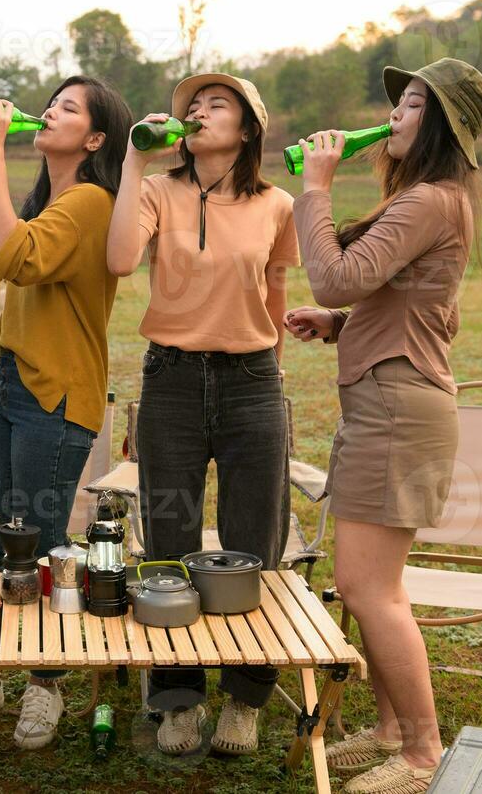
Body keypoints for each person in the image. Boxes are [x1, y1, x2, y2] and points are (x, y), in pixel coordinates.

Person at [285, 57, 482, 794]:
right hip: (387, 400)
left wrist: (313, 190)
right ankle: (387, 730)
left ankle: (421, 754)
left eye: (409, 106)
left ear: (439, 124)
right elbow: (431, 311)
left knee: (371, 590)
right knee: (365, 585)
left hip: (397, 409)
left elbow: (335, 272)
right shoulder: (431, 203)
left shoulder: (429, 201)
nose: (394, 118)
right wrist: (342, 324)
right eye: (398, 105)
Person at [0, 76, 132, 750]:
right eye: (51, 102)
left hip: (57, 394)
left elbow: (10, 260)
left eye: (68, 108)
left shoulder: (89, 201)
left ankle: (45, 684)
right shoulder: (51, 197)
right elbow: (14, 262)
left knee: (42, 547)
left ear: (97, 138)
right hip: (9, 387)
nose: (48, 111)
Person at [105, 72, 297, 756]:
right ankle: (177, 698)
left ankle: (244, 699)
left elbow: (274, 290)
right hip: (172, 380)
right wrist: (134, 159)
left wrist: (270, 368)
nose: (199, 111)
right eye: (194, 104)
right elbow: (122, 258)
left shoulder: (278, 203)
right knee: (168, 538)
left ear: (247, 129)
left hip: (251, 380)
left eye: (218, 104)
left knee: (255, 543)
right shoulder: (158, 188)